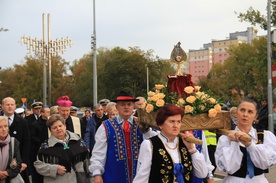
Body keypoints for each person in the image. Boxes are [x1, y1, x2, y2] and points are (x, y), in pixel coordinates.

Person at [89, 91, 157, 183]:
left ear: (134, 107)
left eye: (129, 104)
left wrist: (146, 129)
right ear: (116, 107)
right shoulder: (106, 126)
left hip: (139, 177)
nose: (126, 107)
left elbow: (153, 144)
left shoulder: (142, 124)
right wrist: (97, 174)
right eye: (122, 105)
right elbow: (98, 152)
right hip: (113, 177)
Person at [133, 104, 208, 183]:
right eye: (172, 121)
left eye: (178, 122)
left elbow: (202, 174)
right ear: (161, 125)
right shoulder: (150, 144)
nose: (176, 126)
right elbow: (141, 178)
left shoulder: (185, 143)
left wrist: (192, 149)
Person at [215, 98, 276, 183]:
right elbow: (227, 167)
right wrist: (234, 142)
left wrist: (251, 145)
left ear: (256, 116)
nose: (245, 114)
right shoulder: (226, 138)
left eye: (250, 112)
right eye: (242, 110)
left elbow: (266, 163)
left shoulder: (265, 136)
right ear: (236, 113)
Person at [34, 114, 89, 183]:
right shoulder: (46, 146)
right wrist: (54, 169)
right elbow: (38, 165)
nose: (58, 129)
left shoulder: (78, 140)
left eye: (60, 126)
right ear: (50, 131)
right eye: (54, 128)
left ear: (65, 126)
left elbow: (87, 162)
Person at [2, 97, 30, 183]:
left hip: (18, 162)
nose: (10, 107)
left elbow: (26, 142)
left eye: (12, 104)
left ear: (15, 106)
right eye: (7, 105)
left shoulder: (22, 122)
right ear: (2, 106)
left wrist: (24, 162)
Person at [30, 107, 50, 183]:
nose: (49, 114)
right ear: (42, 113)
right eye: (47, 112)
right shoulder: (35, 124)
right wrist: (41, 141)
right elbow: (32, 136)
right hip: (38, 148)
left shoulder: (50, 122)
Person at [0, 116, 22, 183]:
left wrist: (7, 173)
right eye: (0, 127)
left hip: (8, 179)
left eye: (5, 126)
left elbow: (18, 163)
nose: (3, 129)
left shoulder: (13, 142)